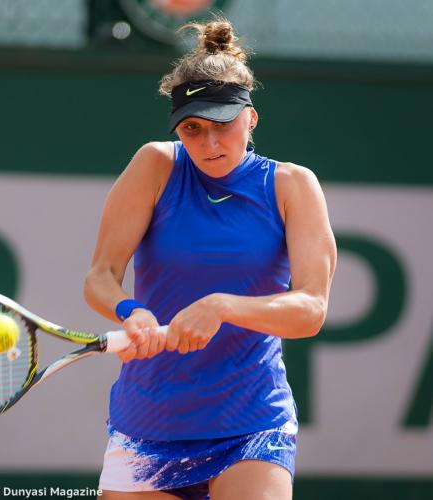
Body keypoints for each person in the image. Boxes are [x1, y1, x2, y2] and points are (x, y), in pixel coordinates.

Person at [84, 17, 336, 500]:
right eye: (193, 129)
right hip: (148, 423)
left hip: (251, 421)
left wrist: (222, 305)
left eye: (223, 124)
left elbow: (310, 310)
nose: (209, 143)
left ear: (251, 118)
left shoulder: (291, 185)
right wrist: (130, 311)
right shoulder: (155, 164)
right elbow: (101, 276)